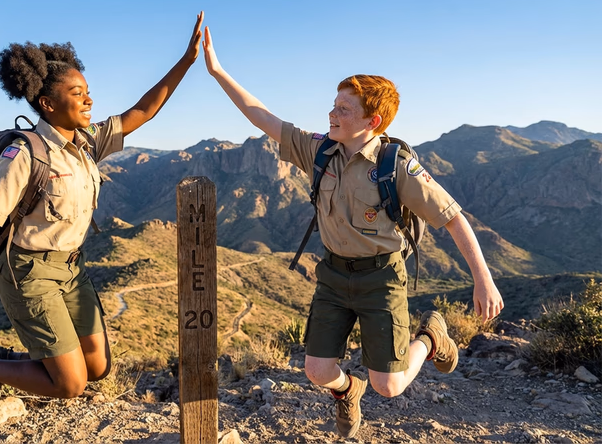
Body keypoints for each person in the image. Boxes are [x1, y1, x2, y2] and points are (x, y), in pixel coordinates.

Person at [202, 26, 504, 438]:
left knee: (391, 385)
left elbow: (453, 218)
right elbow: (262, 115)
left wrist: (482, 280)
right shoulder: (320, 150)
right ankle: (348, 392)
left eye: (344, 109)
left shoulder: (395, 168)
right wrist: (218, 71)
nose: (331, 114)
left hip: (381, 278)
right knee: (317, 370)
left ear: (371, 120)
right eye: (333, 105)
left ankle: (431, 338)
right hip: (332, 274)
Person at [0, 12, 204, 415]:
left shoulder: (87, 143)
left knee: (97, 366)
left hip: (71, 270)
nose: (89, 99)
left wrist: (186, 61)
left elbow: (144, 110)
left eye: (88, 91)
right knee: (70, 384)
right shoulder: (26, 154)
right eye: (77, 93)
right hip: (28, 274)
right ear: (48, 104)